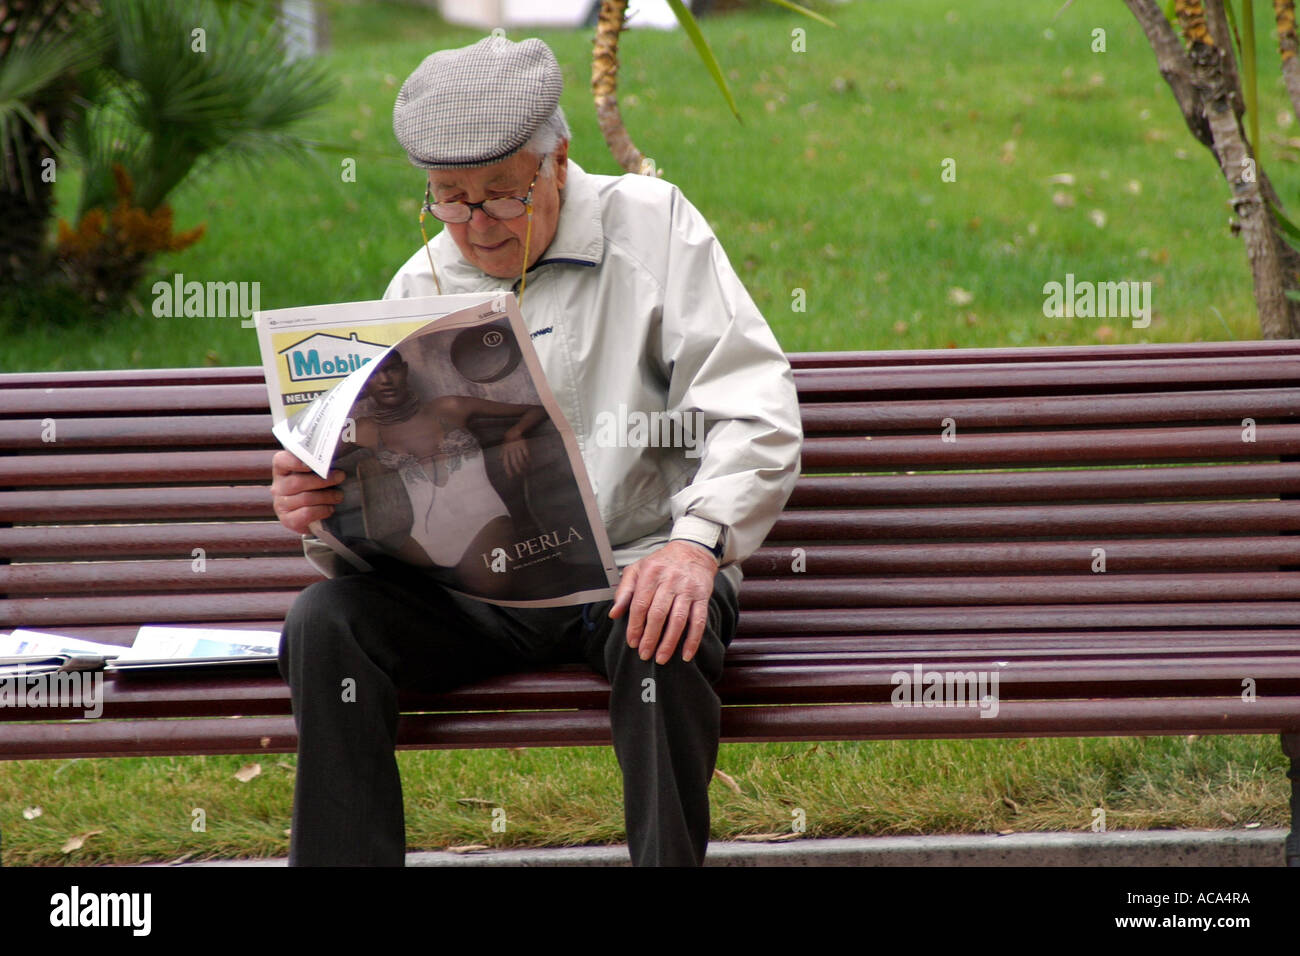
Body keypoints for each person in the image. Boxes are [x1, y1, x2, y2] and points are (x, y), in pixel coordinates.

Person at [269, 35, 803, 866]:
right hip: (483, 593)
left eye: (500, 196)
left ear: (558, 162)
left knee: (663, 632)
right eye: (449, 200)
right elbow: (386, 502)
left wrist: (698, 545)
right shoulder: (421, 284)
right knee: (324, 624)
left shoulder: (654, 226)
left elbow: (753, 405)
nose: (474, 227)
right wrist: (323, 505)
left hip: (635, 571)